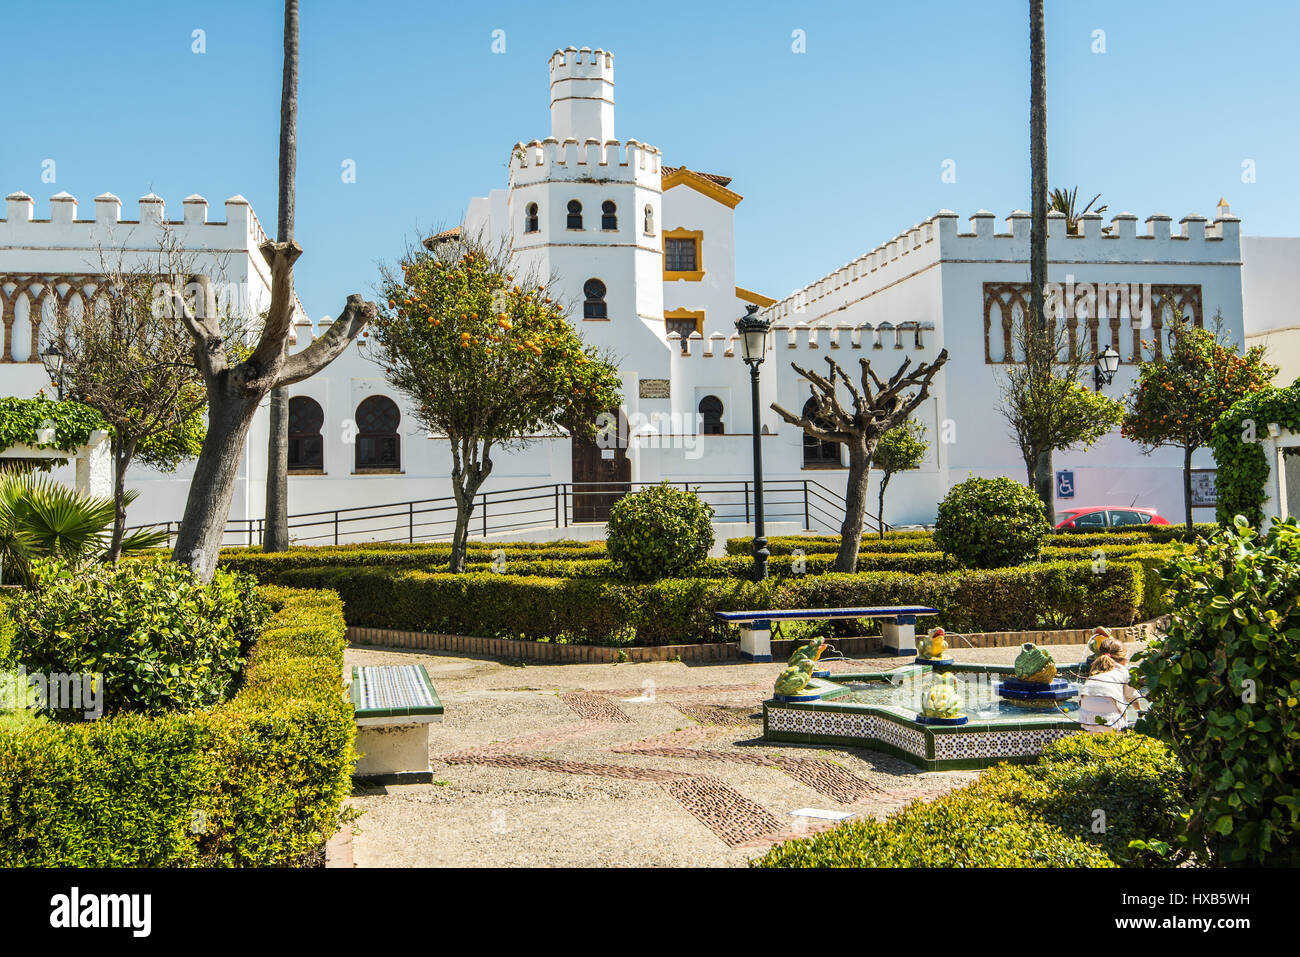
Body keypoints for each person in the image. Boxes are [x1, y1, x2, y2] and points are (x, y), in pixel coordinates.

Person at [1078, 636, 1142, 729]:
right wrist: (1140, 711)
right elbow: (1133, 697)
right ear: (1124, 660)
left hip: (1086, 719)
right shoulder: (1122, 671)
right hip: (1110, 720)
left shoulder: (1096, 670)